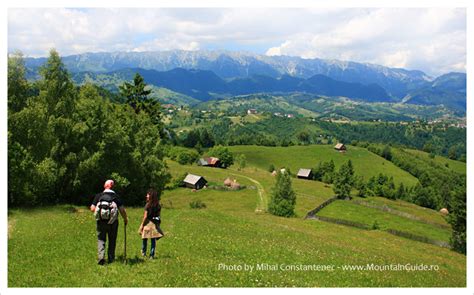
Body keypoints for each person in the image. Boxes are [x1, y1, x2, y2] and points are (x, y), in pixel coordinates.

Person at [90, 179, 128, 265]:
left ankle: (101, 258)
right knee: (112, 240)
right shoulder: (116, 197)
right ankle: (111, 259)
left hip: (101, 221)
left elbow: (92, 208)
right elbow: (122, 210)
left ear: (105, 186)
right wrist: (125, 219)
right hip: (113, 222)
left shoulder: (99, 196)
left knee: (101, 239)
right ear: (112, 186)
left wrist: (101, 213)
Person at [139, 189, 164, 259]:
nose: (146, 196)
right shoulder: (158, 205)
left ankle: (143, 253)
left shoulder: (148, 205)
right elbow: (158, 216)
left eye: (148, 194)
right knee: (153, 241)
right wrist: (158, 224)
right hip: (154, 224)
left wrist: (142, 225)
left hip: (147, 224)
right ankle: (151, 255)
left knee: (144, 239)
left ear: (151, 196)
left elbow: (145, 216)